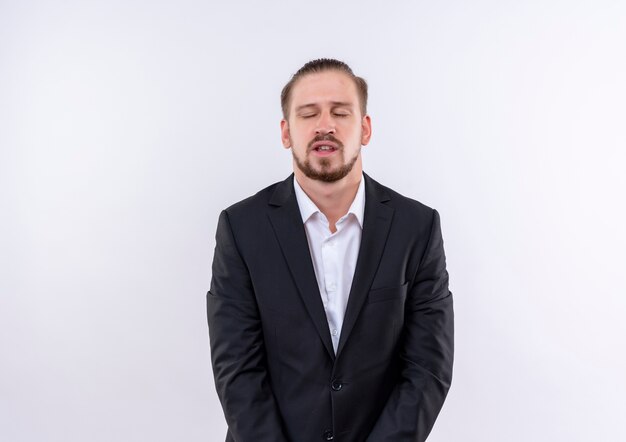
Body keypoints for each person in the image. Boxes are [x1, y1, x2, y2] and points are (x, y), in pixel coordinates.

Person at [207, 58, 454, 442]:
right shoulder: (241, 229)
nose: (325, 125)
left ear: (365, 128)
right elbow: (237, 370)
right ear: (286, 132)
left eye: (341, 112)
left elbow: (428, 367)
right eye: (308, 114)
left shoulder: (417, 228)